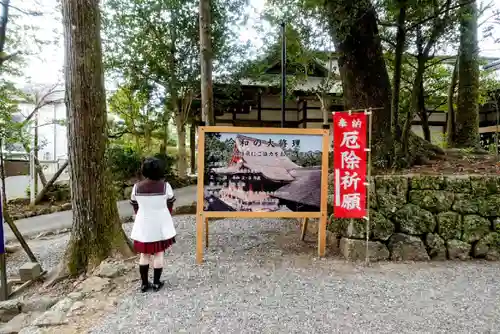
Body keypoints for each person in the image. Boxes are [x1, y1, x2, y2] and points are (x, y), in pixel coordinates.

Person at [130, 157, 176, 292]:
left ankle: (144, 284)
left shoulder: (136, 187)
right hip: (160, 223)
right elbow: (170, 203)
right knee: (158, 253)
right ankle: (156, 283)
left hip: (143, 223)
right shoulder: (165, 186)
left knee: (144, 255)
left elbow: (135, 204)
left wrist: (140, 214)